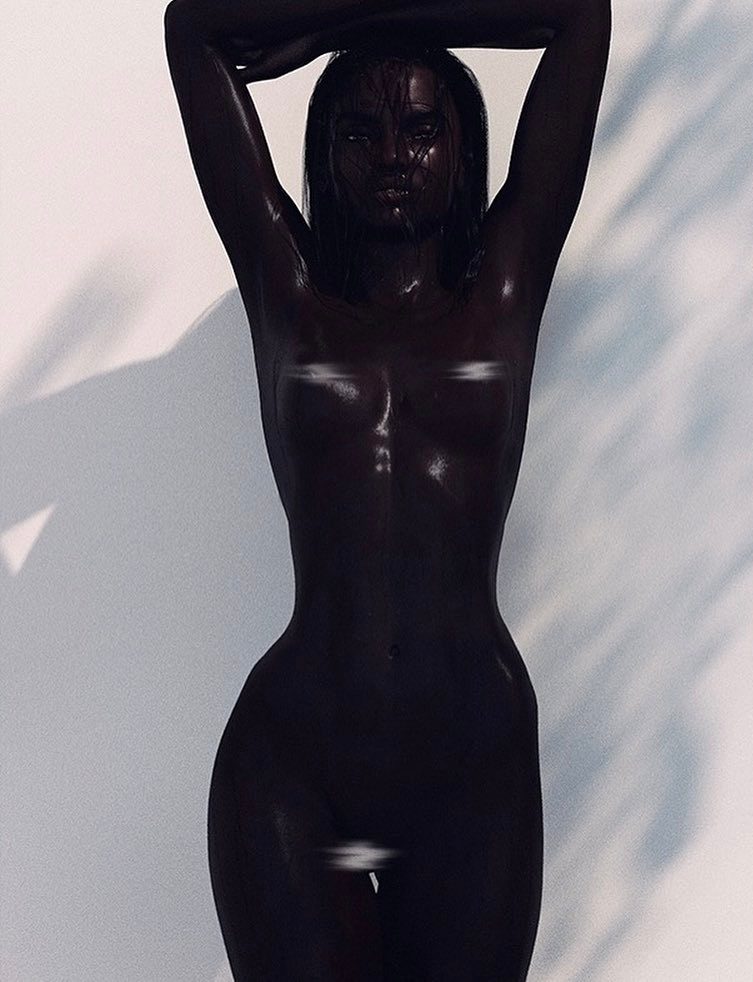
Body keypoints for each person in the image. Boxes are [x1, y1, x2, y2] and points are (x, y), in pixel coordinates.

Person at [164, 1, 610, 978]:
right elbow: (191, 28)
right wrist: (345, 33)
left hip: (472, 766)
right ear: (326, 157)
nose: (394, 155)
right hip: (295, 766)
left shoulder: (504, 291)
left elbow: (580, 14)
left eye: (421, 127)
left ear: (462, 148)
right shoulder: (287, 294)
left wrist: (360, 28)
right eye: (359, 131)